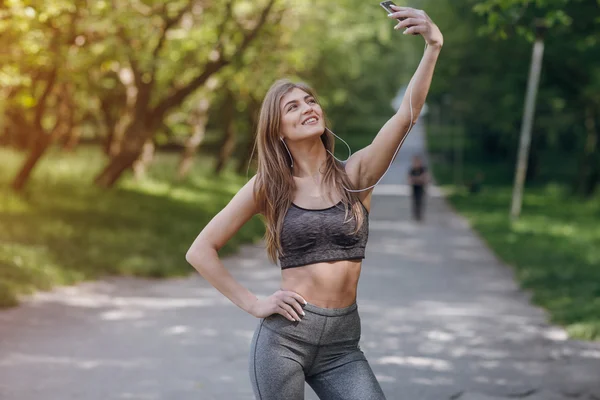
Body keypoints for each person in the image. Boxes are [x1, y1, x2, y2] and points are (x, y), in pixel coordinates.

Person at [185, 5, 443, 399]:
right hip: (284, 342)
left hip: (343, 345)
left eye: (310, 101)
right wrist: (254, 303)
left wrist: (432, 46)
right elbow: (200, 250)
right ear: (278, 129)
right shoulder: (268, 186)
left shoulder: (355, 176)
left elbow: (406, 116)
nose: (308, 108)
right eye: (294, 107)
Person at [407, 155, 430, 221]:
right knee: (415, 201)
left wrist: (416, 179)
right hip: (414, 188)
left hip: (421, 188)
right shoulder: (412, 170)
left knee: (420, 201)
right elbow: (409, 179)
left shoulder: (423, 169)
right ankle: (416, 215)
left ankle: (420, 215)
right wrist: (419, 179)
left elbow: (426, 178)